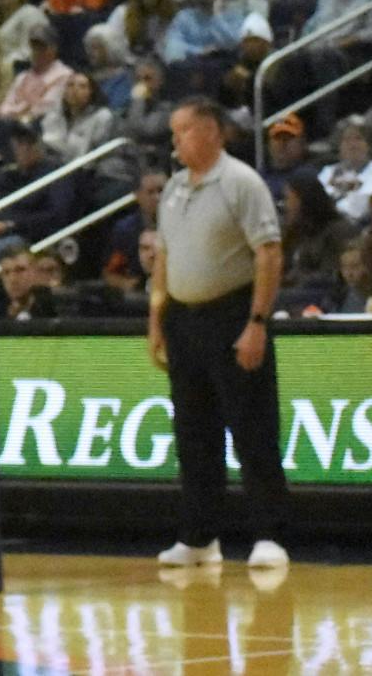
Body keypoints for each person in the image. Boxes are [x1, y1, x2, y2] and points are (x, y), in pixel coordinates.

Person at [148, 97, 289, 571]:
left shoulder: (241, 183)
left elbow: (268, 253)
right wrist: (157, 321)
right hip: (184, 319)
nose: (175, 141)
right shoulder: (171, 190)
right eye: (174, 132)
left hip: (233, 314)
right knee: (193, 431)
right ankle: (199, 537)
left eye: (183, 131)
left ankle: (268, 535)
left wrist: (256, 323)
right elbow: (163, 258)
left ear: (212, 131)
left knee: (251, 427)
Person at [279, 171, 355, 287]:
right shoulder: (295, 231)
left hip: (322, 297)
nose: (285, 205)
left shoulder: (338, 230)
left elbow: (332, 276)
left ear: (303, 200)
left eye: (288, 199)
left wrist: (292, 279)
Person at [319, 117, 372, 222]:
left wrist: (336, 203)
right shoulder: (329, 171)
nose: (352, 145)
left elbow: (364, 207)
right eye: (346, 139)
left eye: (358, 138)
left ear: (369, 145)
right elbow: (318, 202)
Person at [0, 21, 70, 122]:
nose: (37, 51)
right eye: (34, 47)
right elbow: (4, 107)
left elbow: (44, 109)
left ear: (54, 49)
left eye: (42, 47)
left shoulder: (64, 75)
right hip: (13, 123)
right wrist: (22, 109)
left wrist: (16, 110)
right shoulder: (22, 76)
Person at [42, 72, 116, 163]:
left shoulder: (102, 116)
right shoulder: (55, 113)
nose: (75, 90)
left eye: (82, 86)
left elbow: (97, 153)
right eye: (70, 85)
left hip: (84, 169)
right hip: (54, 164)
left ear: (92, 92)